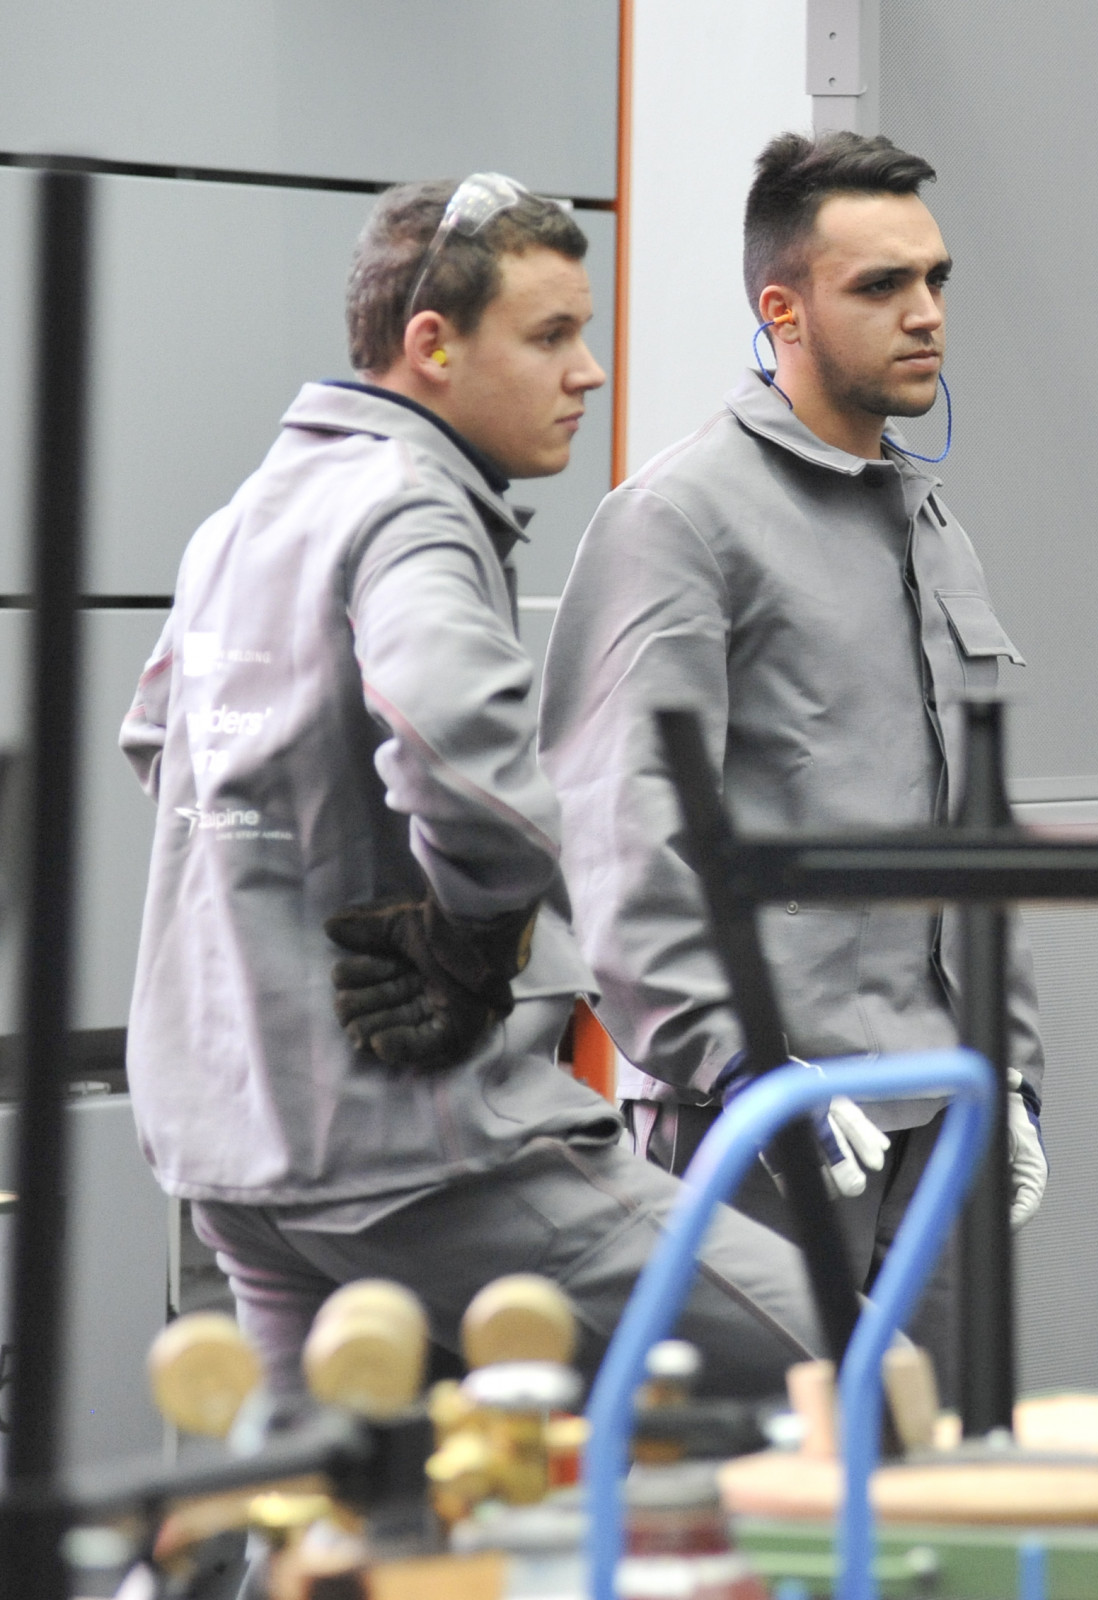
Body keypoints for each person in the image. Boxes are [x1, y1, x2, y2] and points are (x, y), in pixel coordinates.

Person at [122, 175, 825, 1400]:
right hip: (421, 1159)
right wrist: (472, 937)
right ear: (433, 346)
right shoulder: (410, 511)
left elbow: (158, 741)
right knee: (866, 1368)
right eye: (551, 336)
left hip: (233, 1148)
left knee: (340, 1489)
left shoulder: (242, 520)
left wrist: (302, 897)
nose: (587, 371)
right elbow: (468, 772)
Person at [539, 132, 1047, 1386]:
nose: (925, 313)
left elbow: (977, 832)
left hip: (941, 1116)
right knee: (754, 1484)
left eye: (934, 278)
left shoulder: (929, 527)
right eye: (881, 286)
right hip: (764, 1124)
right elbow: (618, 842)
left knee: (933, 1474)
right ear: (784, 311)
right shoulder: (680, 521)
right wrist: (744, 1067)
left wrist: (1014, 1068)